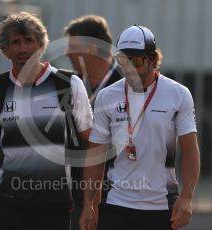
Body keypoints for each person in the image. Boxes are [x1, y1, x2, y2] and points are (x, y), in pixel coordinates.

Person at [0, 11, 92, 230]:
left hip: (55, 207)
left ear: (41, 45)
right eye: (16, 42)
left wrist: (90, 204)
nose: (23, 48)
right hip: (8, 206)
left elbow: (91, 146)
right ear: (5, 50)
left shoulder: (69, 84)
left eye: (29, 40)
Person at [79, 25, 200, 230]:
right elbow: (95, 154)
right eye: (122, 60)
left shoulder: (178, 94)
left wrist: (186, 198)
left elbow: (190, 151)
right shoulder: (107, 96)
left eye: (135, 60)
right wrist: (88, 204)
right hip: (116, 203)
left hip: (162, 206)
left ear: (153, 59)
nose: (128, 68)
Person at [64, 14, 122, 230]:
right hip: (77, 193)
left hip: (119, 193)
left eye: (73, 47)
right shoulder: (70, 85)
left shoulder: (129, 85)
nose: (68, 53)